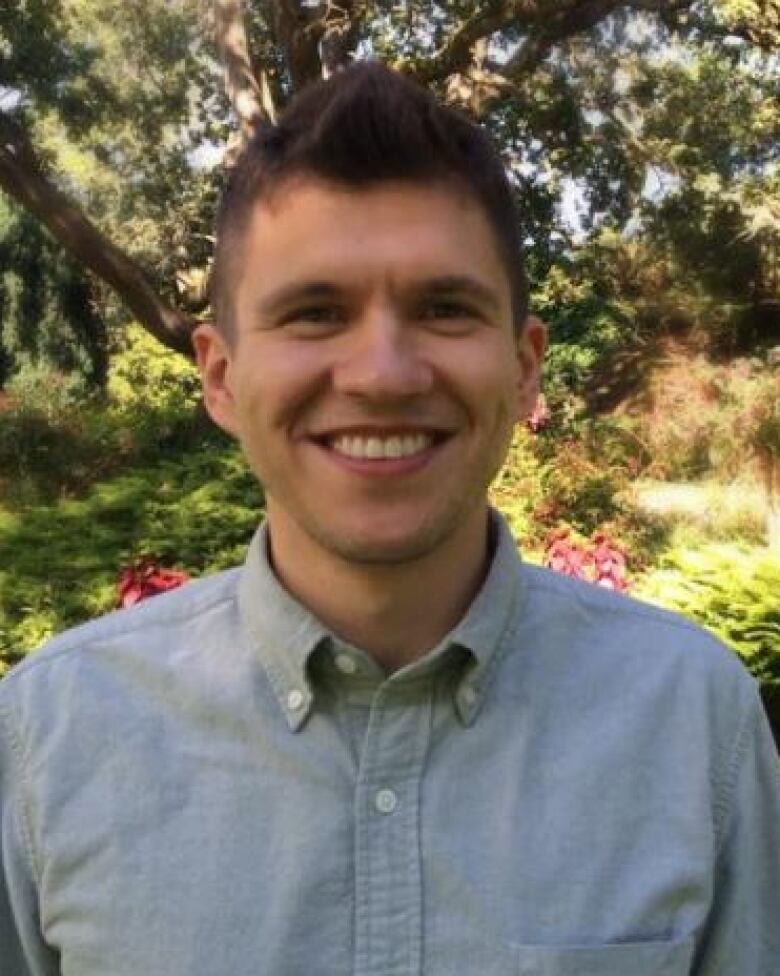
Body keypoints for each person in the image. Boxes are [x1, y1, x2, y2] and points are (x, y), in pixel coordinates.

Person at [0, 63, 778, 976]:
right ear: (219, 376)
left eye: (445, 308)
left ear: (524, 369)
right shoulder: (48, 736)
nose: (382, 374)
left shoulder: (693, 724)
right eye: (315, 312)